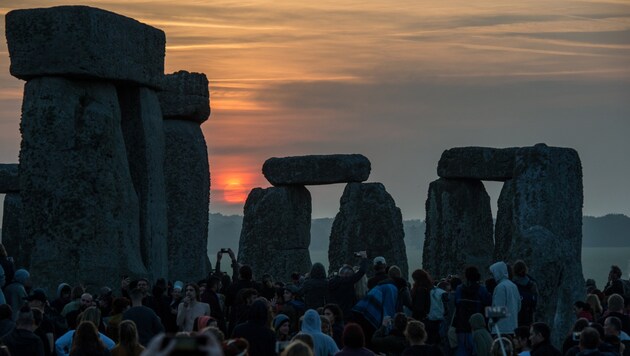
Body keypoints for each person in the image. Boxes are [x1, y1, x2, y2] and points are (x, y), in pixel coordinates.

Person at [453, 265, 491, 356]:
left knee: (461, 351)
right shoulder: (482, 290)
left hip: (461, 328)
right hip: (477, 329)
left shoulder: (459, 289)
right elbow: (488, 306)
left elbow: (456, 305)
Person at [329, 252, 368, 321]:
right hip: (347, 314)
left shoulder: (331, 282)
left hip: (334, 313)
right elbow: (362, 271)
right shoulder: (348, 282)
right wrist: (364, 258)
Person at [489, 261, 521, 336]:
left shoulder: (500, 287)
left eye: (492, 273)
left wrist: (490, 323)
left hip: (501, 329)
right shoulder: (513, 286)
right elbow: (519, 306)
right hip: (513, 327)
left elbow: (498, 309)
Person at [512, 260, 538, 327]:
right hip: (528, 316)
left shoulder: (512, 284)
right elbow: (535, 301)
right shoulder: (532, 283)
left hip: (517, 316)